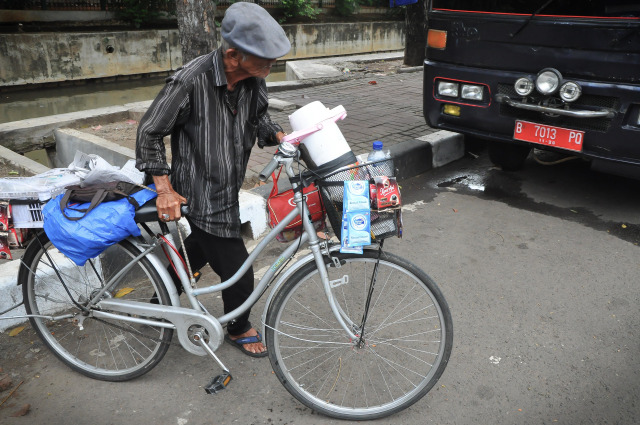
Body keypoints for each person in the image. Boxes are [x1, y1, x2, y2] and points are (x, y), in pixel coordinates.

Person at [135, 2, 291, 357]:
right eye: (264, 59)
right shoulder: (191, 80)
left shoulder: (252, 80)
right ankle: (238, 327)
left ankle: (160, 299)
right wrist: (164, 189)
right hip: (199, 188)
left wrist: (278, 135)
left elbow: (260, 117)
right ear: (233, 55)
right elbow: (148, 133)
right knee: (238, 269)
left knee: (202, 248)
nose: (271, 66)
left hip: (229, 186)